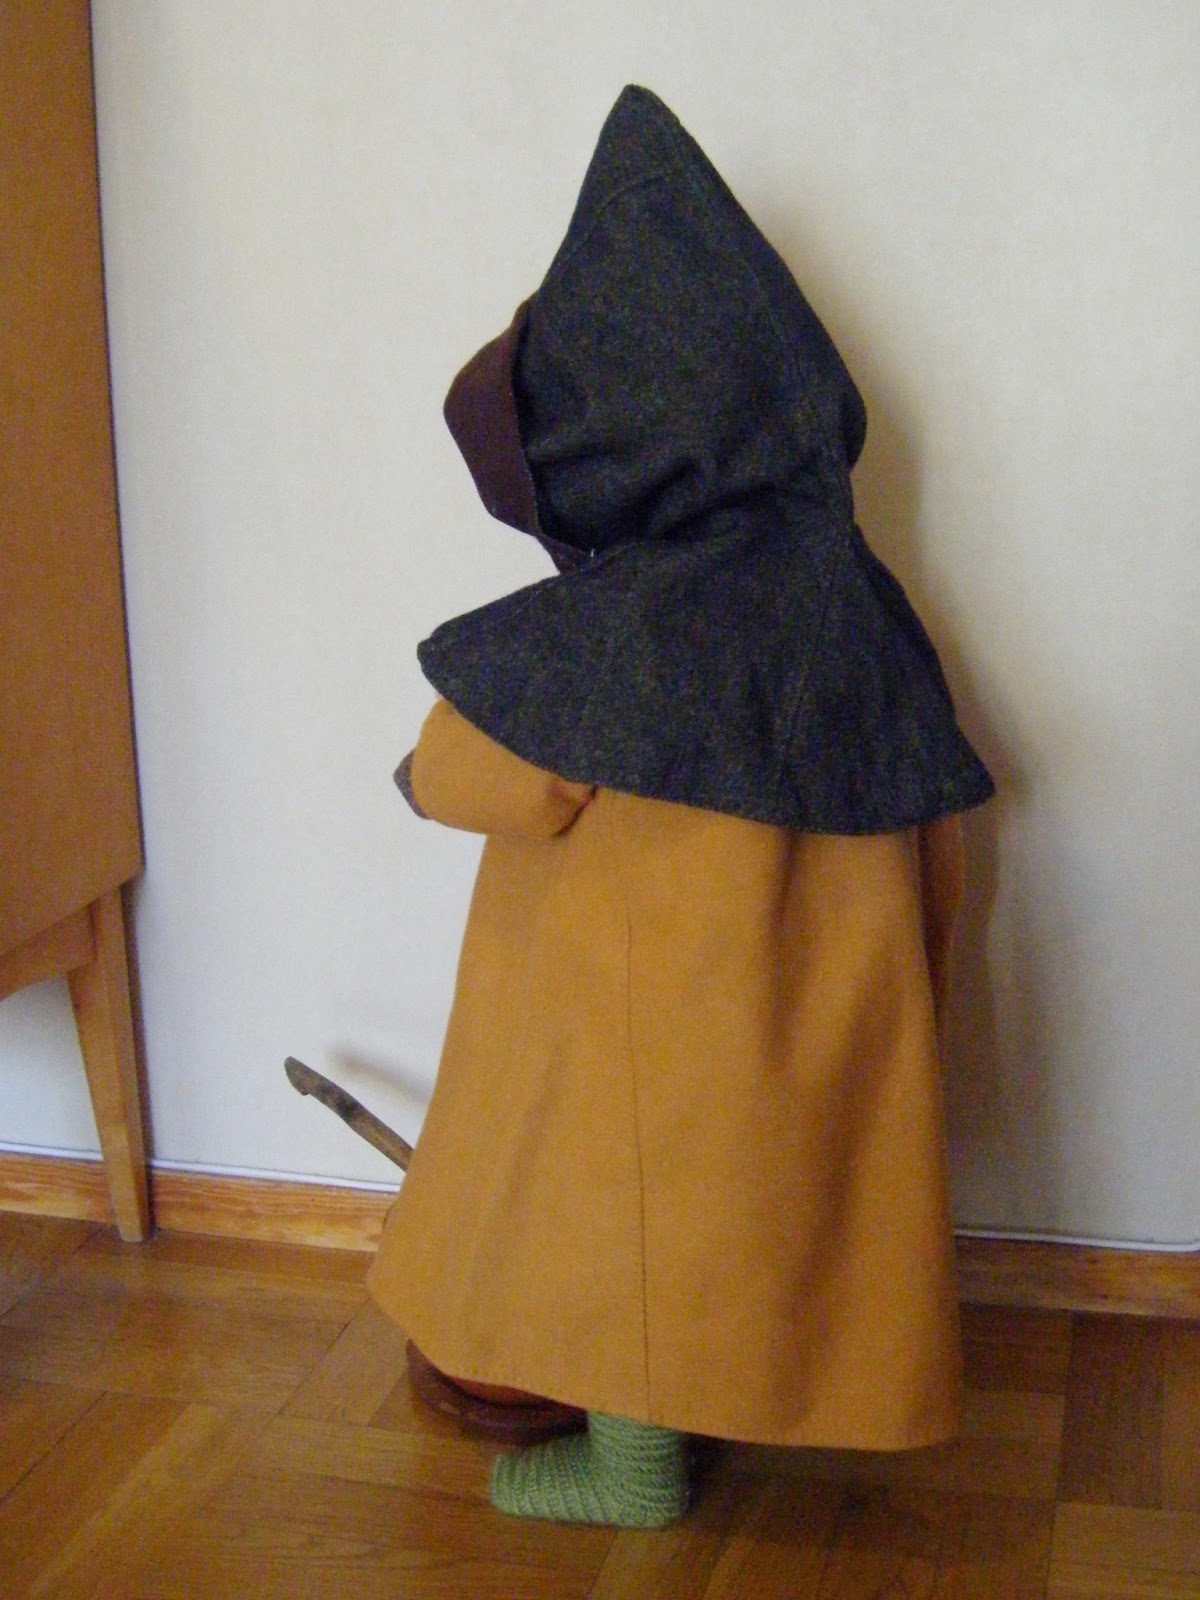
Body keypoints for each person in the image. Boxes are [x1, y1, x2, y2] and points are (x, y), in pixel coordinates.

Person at [367, 85, 994, 1528]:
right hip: (818, 1020)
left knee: (624, 1228)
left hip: (651, 1037)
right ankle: (726, 1407)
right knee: (760, 1226)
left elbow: (473, 768)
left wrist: (423, 768)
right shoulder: (858, 601)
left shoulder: (626, 632)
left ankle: (634, 1466)